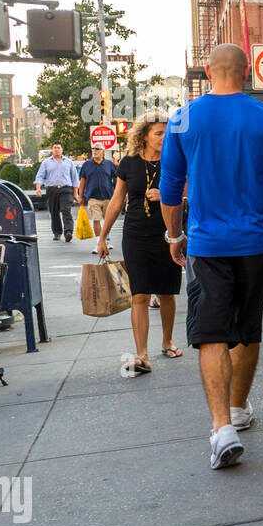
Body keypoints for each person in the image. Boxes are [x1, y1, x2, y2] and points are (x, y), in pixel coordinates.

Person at [159, 43, 263, 470]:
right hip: (256, 242)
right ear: (247, 73)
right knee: (247, 328)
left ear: (208, 71)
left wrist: (174, 234)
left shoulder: (183, 118)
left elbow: (170, 187)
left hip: (206, 245)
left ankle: (222, 427)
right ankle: (238, 408)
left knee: (211, 333)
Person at [96, 110, 183, 372]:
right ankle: (142, 355)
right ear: (143, 136)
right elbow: (116, 200)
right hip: (135, 235)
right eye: (158, 132)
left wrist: (168, 193)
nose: (164, 136)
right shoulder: (128, 162)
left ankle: (167, 341)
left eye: (168, 132)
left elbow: (192, 190)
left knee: (167, 293)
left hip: (168, 235)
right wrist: (103, 236)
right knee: (140, 294)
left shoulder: (176, 161)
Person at [34, 143, 79, 241]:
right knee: (54, 212)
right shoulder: (46, 162)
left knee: (66, 210)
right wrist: (38, 188)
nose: (57, 149)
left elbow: (75, 178)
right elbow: (40, 176)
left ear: (62, 149)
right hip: (52, 189)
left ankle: (68, 232)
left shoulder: (69, 162)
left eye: (58, 148)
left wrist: (75, 193)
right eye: (55, 148)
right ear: (52, 150)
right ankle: (57, 232)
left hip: (66, 189)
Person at [77, 145, 118, 239]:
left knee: (108, 220)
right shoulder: (87, 164)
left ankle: (106, 239)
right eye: (93, 149)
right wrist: (80, 196)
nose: (94, 151)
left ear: (103, 151)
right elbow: (83, 181)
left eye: (97, 149)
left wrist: (117, 193)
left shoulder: (109, 164)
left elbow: (117, 178)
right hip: (92, 197)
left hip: (108, 197)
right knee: (96, 219)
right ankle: (99, 242)